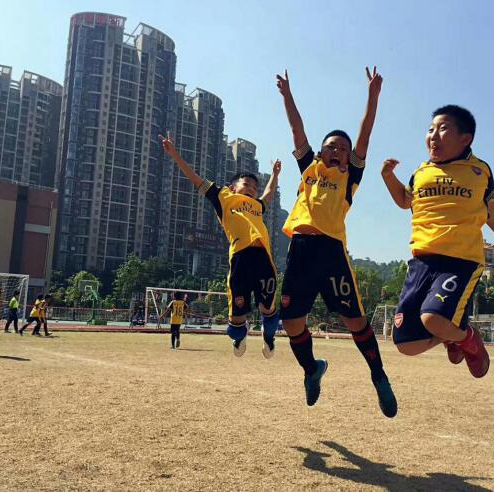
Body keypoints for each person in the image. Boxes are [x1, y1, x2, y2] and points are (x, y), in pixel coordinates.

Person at [275, 67, 397, 418]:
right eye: (331, 146)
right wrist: (287, 95)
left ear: (349, 157)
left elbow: (364, 134)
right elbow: (297, 129)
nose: (338, 151)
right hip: (300, 251)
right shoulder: (310, 169)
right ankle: (311, 369)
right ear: (321, 152)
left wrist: (372, 96)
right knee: (292, 323)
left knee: (356, 321)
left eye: (343, 149)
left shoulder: (349, 177)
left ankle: (379, 376)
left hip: (331, 253)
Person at [381, 104, 494, 378]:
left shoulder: (479, 171)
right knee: (405, 343)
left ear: (465, 138)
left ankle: (469, 339)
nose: (433, 135)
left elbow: (493, 215)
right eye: (430, 129)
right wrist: (388, 177)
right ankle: (452, 334)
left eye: (443, 128)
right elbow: (404, 200)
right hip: (421, 262)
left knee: (432, 318)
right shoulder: (421, 173)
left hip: (460, 261)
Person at [160, 133, 281, 359]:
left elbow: (269, 194)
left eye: (255, 187)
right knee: (236, 321)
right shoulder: (223, 197)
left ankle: (268, 335)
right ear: (233, 187)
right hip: (240, 260)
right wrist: (174, 153)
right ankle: (240, 334)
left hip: (263, 258)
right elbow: (196, 179)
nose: (252, 188)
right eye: (247, 184)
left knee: (269, 309)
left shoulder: (258, 206)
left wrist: (274, 175)